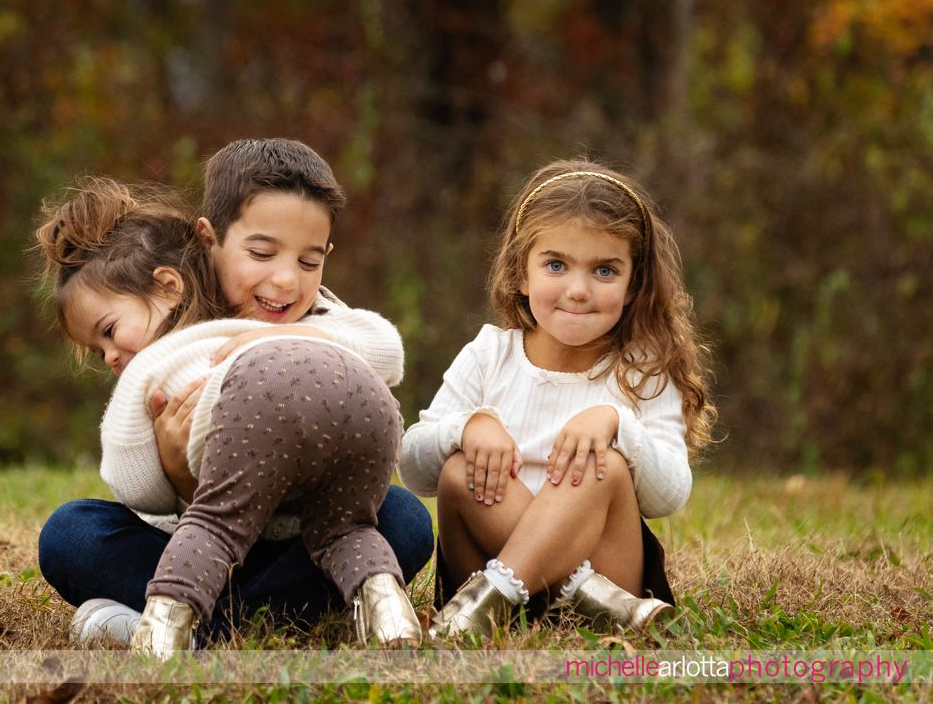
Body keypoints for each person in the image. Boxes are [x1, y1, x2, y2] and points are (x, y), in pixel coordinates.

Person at [35, 140, 431, 650]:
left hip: (306, 542)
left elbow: (383, 350)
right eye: (262, 254)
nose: (286, 280)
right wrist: (179, 472)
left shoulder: (312, 318)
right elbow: (138, 488)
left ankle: (200, 628)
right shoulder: (173, 339)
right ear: (211, 238)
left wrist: (278, 339)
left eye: (310, 263)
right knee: (70, 533)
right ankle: (244, 619)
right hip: (194, 544)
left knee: (407, 521)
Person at [398, 159, 715, 639]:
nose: (578, 290)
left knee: (597, 460)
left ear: (634, 285)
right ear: (520, 274)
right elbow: (414, 469)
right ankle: (570, 596)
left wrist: (617, 425)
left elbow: (669, 495)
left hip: (610, 569)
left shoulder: (643, 368)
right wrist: (466, 428)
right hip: (493, 571)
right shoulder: (489, 355)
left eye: (605, 270)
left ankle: (487, 605)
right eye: (555, 265)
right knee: (458, 470)